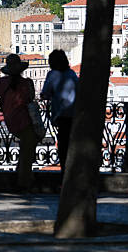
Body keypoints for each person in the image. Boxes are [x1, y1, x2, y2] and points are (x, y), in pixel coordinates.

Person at [0, 54, 37, 191]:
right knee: (28, 150)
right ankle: (24, 182)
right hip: (26, 120)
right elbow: (30, 98)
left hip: (10, 120)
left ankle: (22, 177)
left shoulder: (2, 83)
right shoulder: (25, 83)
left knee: (26, 149)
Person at [41, 49, 78, 177]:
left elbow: (45, 93)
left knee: (63, 146)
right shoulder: (72, 73)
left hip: (62, 115)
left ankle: (65, 174)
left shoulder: (52, 75)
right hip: (75, 114)